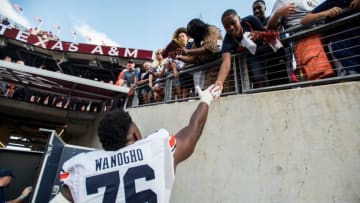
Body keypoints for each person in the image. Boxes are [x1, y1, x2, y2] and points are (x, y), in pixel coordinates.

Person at [49, 84, 221, 203]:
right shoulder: (157, 149)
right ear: (135, 133)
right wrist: (205, 100)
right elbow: (192, 132)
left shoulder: (82, 166)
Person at [214, 9, 281, 91]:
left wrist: (259, 34)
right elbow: (226, 61)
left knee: (276, 75)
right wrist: (219, 82)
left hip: (268, 51)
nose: (231, 28)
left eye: (233, 23)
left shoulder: (251, 20)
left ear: (239, 19)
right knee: (258, 78)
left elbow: (267, 32)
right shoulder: (228, 40)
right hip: (254, 57)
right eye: (226, 27)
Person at [301, 0, 360, 75]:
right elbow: (304, 20)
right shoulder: (330, 3)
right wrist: (326, 12)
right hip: (342, 46)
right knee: (352, 73)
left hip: (355, 37)